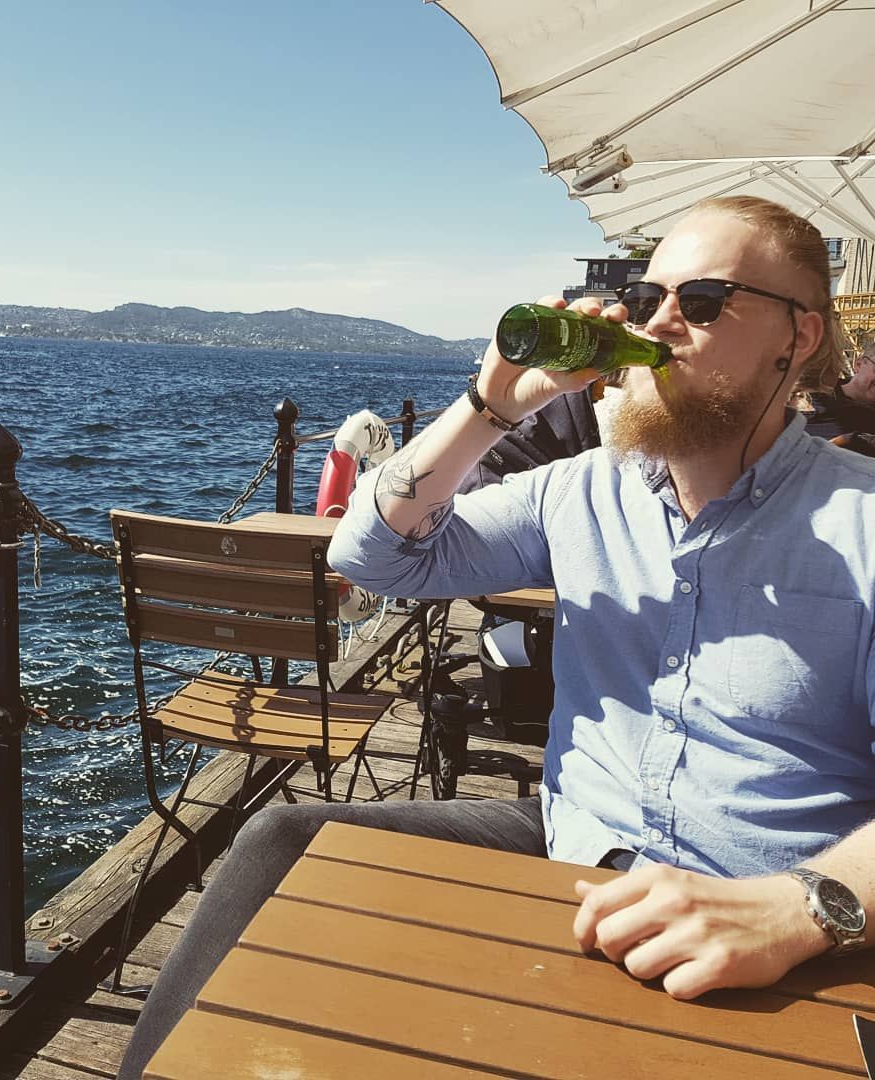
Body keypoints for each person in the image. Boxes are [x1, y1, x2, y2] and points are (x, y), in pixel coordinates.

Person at [115, 196, 873, 1078]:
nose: (659, 323)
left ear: (801, 336)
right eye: (643, 299)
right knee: (283, 842)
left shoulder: (860, 524)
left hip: (778, 906)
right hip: (578, 850)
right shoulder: (583, 489)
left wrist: (808, 906)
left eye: (703, 301)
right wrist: (489, 405)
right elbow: (376, 557)